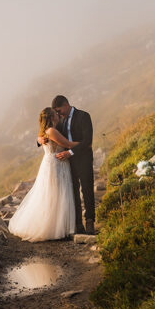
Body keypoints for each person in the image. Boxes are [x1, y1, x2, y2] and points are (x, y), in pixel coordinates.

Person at [9, 107, 79, 241]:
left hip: (52, 163)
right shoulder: (52, 131)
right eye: (55, 114)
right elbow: (67, 144)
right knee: (57, 194)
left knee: (54, 194)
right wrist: (84, 143)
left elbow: (43, 140)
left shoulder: (44, 132)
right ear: (51, 118)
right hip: (56, 164)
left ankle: (58, 226)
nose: (58, 115)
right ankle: (54, 227)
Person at [39, 95, 95, 234]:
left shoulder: (83, 116)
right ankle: (77, 224)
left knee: (87, 190)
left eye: (59, 110)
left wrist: (71, 152)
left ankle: (89, 222)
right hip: (66, 162)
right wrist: (39, 139)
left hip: (82, 158)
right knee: (72, 192)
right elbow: (49, 131)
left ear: (66, 105)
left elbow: (87, 141)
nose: (58, 114)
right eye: (56, 112)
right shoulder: (59, 121)